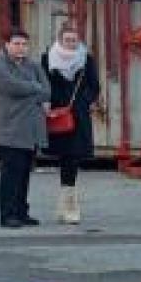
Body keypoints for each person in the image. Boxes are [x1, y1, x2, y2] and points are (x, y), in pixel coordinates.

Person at [0, 28, 49, 229]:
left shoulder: (34, 65)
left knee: (24, 173)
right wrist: (34, 88)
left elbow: (47, 90)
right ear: (7, 45)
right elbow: (10, 86)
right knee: (11, 173)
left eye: (24, 44)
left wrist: (33, 90)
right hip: (8, 128)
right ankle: (7, 215)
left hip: (29, 129)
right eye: (17, 44)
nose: (21, 48)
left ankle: (22, 212)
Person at [42, 22, 100, 225]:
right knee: (63, 158)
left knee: (73, 160)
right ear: (60, 39)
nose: (71, 43)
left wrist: (84, 101)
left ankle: (70, 207)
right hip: (57, 115)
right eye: (67, 40)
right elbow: (43, 84)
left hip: (78, 116)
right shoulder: (47, 58)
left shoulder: (87, 59)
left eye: (74, 40)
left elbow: (95, 86)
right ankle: (64, 207)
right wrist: (47, 102)